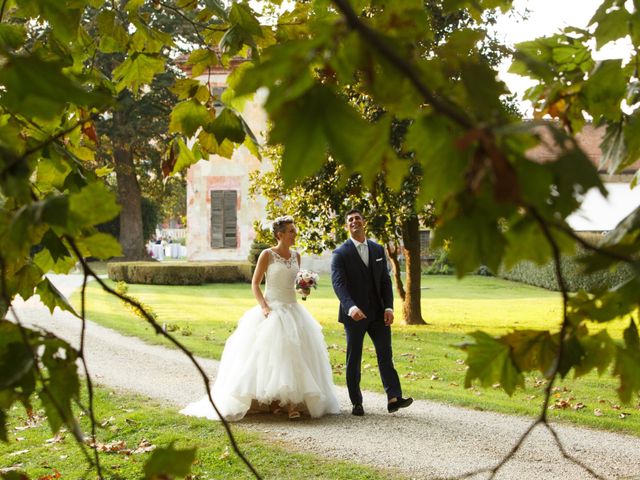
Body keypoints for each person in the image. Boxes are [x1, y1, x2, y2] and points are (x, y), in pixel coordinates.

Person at [180, 216, 339, 421]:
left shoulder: (296, 256)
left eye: (294, 230)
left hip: (293, 309)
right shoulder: (267, 254)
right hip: (272, 309)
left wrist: (304, 289)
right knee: (275, 355)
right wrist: (264, 306)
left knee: (298, 354)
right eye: (291, 231)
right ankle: (279, 403)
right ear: (280, 234)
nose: (294, 234)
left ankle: (291, 403)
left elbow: (295, 287)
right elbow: (255, 284)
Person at [331, 208, 413, 416]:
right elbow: (338, 284)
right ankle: (356, 402)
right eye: (350, 219)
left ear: (364, 222)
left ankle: (393, 398)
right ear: (346, 226)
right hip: (354, 315)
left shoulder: (377, 249)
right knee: (354, 358)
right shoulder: (340, 254)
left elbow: (385, 281)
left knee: (386, 354)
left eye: (358, 218)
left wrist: (388, 307)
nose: (354, 221)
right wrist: (351, 307)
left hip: (378, 313)